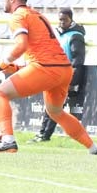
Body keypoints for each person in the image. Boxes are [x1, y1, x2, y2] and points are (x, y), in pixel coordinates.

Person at [0, 0, 97, 155]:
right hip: (63, 69)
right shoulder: (37, 15)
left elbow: (21, 46)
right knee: (55, 111)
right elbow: (41, 52)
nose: (2, 1)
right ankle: (94, 149)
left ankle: (8, 140)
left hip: (46, 68)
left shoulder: (18, 16)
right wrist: (14, 68)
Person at [29, 8, 86, 143]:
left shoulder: (75, 36)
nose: (61, 23)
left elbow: (77, 61)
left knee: (55, 108)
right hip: (55, 75)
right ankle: (43, 134)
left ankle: (45, 135)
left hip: (65, 77)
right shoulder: (59, 34)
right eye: (60, 20)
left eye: (64, 20)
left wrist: (71, 80)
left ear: (71, 20)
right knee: (52, 106)